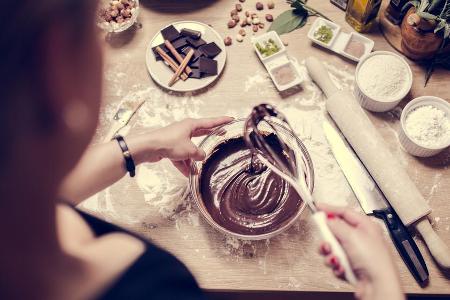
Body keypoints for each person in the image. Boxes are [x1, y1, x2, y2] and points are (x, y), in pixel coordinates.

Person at [0, 1, 404, 299]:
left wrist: (141, 145)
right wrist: (383, 286)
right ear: (57, 65)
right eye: (95, 31)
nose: (104, 50)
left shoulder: (19, 211)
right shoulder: (155, 287)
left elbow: (42, 190)